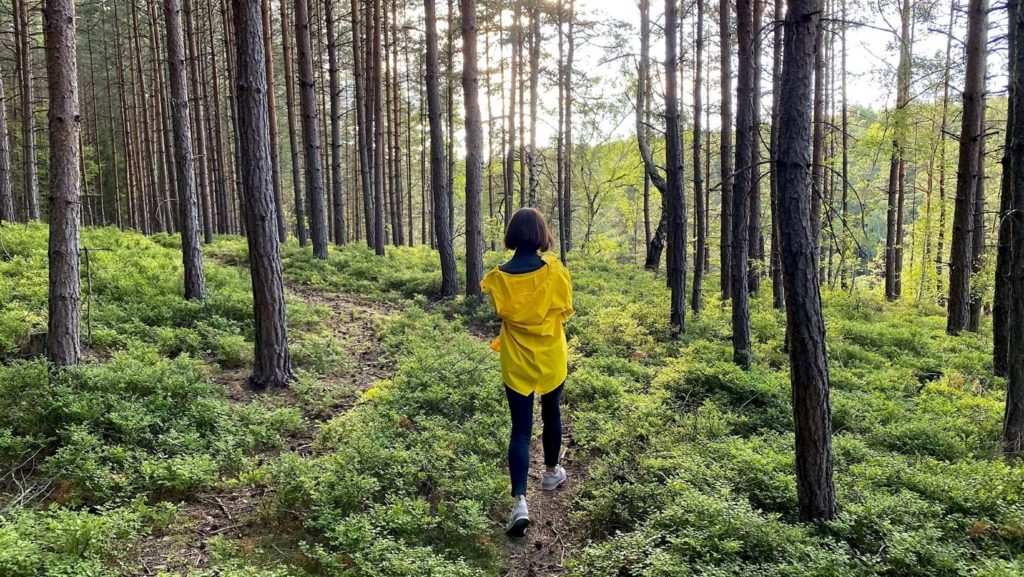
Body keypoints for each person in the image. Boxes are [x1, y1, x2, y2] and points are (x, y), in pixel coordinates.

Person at [480, 207, 574, 538]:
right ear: (541, 234)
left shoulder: (499, 276)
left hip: (516, 358)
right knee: (551, 412)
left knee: (520, 429)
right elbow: (565, 311)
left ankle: (520, 501)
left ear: (511, 235)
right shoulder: (554, 270)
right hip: (551, 354)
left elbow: (504, 315)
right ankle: (551, 472)